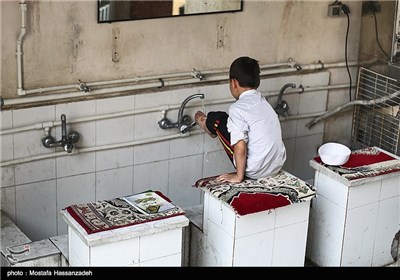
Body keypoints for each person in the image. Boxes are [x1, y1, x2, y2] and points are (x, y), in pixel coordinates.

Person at [195, 56, 286, 183]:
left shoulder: (237, 109)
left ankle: (207, 124)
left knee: (218, 119)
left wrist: (238, 176)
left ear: (234, 83)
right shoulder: (263, 102)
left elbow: (240, 147)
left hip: (255, 170)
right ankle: (209, 124)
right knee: (232, 122)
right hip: (276, 166)